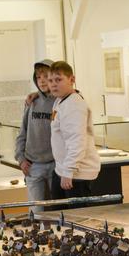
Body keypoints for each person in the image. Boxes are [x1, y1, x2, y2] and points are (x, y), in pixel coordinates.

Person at [47, 61, 100, 207]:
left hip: (77, 174)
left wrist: (68, 171)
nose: (53, 84)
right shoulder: (61, 100)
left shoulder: (74, 105)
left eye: (59, 80)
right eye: (50, 81)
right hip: (64, 170)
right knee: (61, 215)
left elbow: (76, 140)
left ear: (72, 80)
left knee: (77, 219)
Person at [14, 59, 55, 211]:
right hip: (33, 165)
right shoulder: (31, 102)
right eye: (38, 77)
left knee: (57, 212)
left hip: (55, 164)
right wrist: (21, 159)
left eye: (46, 76)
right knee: (36, 213)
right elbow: (22, 132)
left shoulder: (60, 101)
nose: (42, 81)